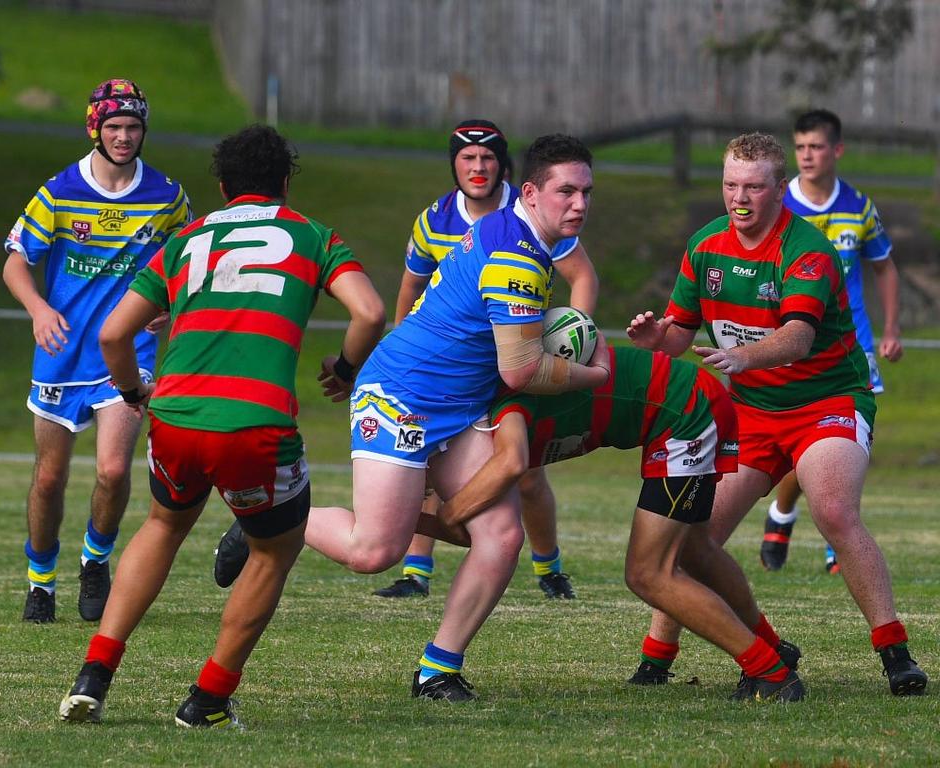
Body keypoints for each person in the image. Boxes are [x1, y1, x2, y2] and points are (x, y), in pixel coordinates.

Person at [58, 124, 385, 728]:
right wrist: (344, 368)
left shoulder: (185, 240)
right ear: (285, 184)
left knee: (162, 524)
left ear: (222, 186)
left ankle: (94, 675)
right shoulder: (313, 235)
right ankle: (207, 699)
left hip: (176, 416)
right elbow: (370, 311)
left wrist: (135, 393)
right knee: (274, 548)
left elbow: (112, 334)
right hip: (254, 426)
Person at [300, 134, 609, 701]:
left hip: (460, 404)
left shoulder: (516, 227)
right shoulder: (516, 251)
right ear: (534, 192)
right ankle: (276, 516)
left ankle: (436, 669)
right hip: (401, 395)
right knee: (374, 552)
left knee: (499, 533)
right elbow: (519, 370)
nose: (580, 204)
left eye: (587, 192)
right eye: (567, 191)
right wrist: (596, 371)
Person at [627, 132, 927, 697]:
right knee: (690, 534)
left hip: (827, 403)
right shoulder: (705, 245)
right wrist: (653, 339)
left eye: (754, 187)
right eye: (730, 185)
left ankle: (894, 652)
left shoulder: (806, 248)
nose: (740, 198)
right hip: (752, 412)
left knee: (834, 509)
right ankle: (664, 656)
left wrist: (740, 356)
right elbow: (677, 340)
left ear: (778, 189)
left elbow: (796, 337)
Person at [431, 341, 804, 701]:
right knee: (696, 551)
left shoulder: (501, 404)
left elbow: (508, 466)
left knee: (648, 574)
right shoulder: (479, 407)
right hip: (691, 397)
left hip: (683, 411)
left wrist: (446, 514)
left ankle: (770, 673)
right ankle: (773, 649)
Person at [373, 119, 598, 600]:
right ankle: (416, 571)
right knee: (393, 524)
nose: (478, 167)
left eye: (488, 157)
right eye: (467, 158)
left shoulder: (536, 212)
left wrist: (572, 333)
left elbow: (583, 277)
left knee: (523, 473)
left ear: (506, 167)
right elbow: (412, 289)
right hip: (449, 373)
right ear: (452, 164)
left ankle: (547, 566)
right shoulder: (439, 221)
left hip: (489, 370)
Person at [3, 78, 191, 624]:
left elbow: (189, 261)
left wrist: (171, 305)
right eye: (114, 126)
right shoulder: (59, 191)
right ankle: (40, 580)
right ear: (95, 128)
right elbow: (15, 260)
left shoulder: (167, 196)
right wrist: (39, 310)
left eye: (133, 127)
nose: (125, 136)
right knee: (49, 478)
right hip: (62, 353)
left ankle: (95, 561)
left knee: (112, 470)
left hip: (127, 355)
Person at [760, 109, 903, 573]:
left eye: (816, 146)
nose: (806, 155)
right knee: (802, 442)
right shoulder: (780, 208)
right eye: (799, 147)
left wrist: (891, 329)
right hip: (794, 341)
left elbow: (884, 267)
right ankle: (783, 511)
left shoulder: (859, 207)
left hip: (852, 344)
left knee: (846, 442)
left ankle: (833, 541)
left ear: (836, 150)